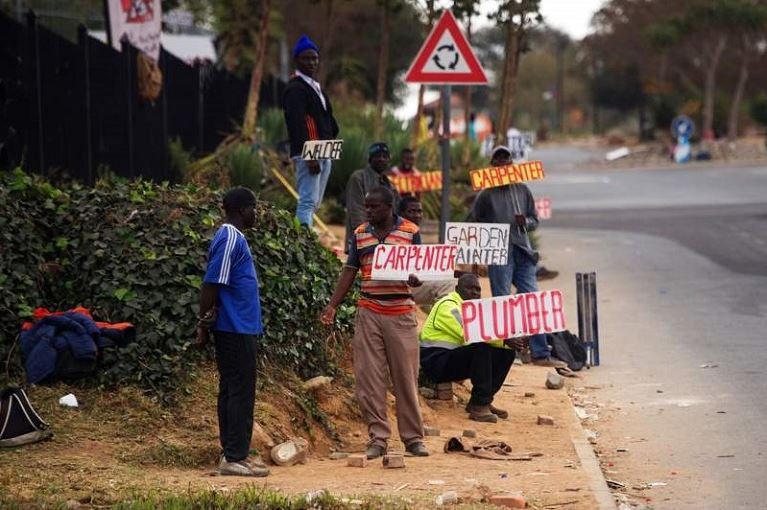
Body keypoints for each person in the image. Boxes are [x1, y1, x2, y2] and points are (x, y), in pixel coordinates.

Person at [321, 186, 429, 460]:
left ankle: (413, 439)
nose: (368, 211)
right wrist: (333, 305)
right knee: (369, 380)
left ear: (389, 207)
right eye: (366, 207)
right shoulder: (360, 234)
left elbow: (421, 270)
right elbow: (349, 270)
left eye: (374, 207)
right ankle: (378, 438)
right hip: (369, 310)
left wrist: (416, 279)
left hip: (401, 313)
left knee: (405, 378)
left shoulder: (410, 231)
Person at [469, 146, 565, 368]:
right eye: (498, 160)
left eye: (506, 159)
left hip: (523, 250)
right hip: (499, 253)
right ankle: (509, 352)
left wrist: (526, 223)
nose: (502, 163)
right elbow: (474, 221)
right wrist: (489, 234)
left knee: (531, 298)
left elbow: (535, 219)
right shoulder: (485, 194)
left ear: (511, 164)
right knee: (503, 300)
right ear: (492, 165)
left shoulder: (522, 189)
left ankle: (540, 353)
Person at [196, 187, 269, 477]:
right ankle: (235, 457)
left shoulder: (234, 238)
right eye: (254, 207)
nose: (256, 212)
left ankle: (233, 452)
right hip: (234, 327)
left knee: (233, 389)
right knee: (239, 391)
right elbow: (212, 282)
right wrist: (203, 322)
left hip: (239, 326)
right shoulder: (229, 238)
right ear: (241, 210)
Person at [420, 274, 524, 423]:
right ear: (457, 289)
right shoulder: (448, 305)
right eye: (470, 289)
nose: (475, 293)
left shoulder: (473, 311)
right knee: (481, 348)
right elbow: (471, 332)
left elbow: (489, 333)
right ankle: (479, 406)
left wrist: (510, 342)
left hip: (452, 360)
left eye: (478, 290)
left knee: (506, 352)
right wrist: (505, 338)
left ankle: (483, 401)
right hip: (436, 363)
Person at [282, 34, 339, 227]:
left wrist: (332, 136)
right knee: (306, 201)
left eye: (314, 58)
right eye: (306, 58)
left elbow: (325, 116)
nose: (311, 62)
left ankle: (306, 240)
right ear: (296, 60)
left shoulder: (315, 86)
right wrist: (310, 155)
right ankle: (302, 244)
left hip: (324, 149)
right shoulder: (296, 88)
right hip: (310, 152)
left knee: (315, 203)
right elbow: (296, 124)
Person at [397, 196, 454, 308]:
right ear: (401, 213)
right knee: (449, 284)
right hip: (398, 286)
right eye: (412, 211)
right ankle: (443, 319)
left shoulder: (414, 231)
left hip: (414, 281)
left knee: (455, 281)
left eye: (419, 211)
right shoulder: (396, 232)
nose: (417, 215)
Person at [344, 142, 398, 252]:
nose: (381, 159)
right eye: (377, 156)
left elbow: (395, 212)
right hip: (363, 239)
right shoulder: (358, 177)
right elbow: (356, 209)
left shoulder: (390, 184)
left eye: (385, 157)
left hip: (387, 242)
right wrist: (365, 236)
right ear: (370, 159)